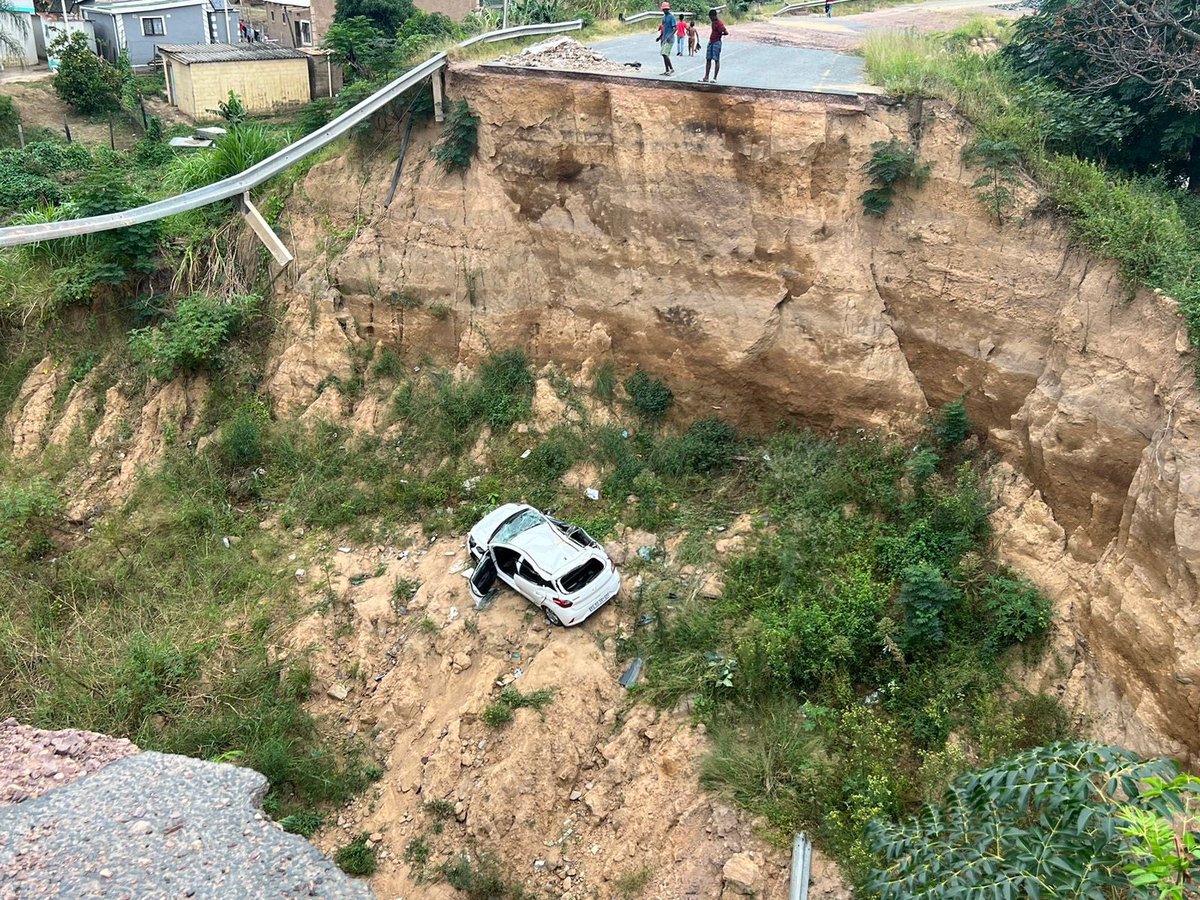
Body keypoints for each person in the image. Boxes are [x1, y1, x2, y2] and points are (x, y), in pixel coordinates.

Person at [701, 7, 728, 83]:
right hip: (711, 41)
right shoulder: (713, 22)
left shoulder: (719, 23)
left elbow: (726, 32)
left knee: (716, 60)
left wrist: (721, 33)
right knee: (708, 59)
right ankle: (706, 77)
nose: (710, 19)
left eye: (710, 17)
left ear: (713, 16)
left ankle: (715, 77)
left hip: (717, 42)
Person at [656, 2, 676, 75]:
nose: (665, 10)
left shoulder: (671, 17)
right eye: (664, 9)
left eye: (666, 9)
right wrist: (660, 37)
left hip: (669, 39)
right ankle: (667, 70)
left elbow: (675, 28)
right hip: (664, 38)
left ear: (668, 9)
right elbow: (663, 29)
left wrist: (670, 36)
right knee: (663, 54)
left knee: (665, 53)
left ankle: (671, 69)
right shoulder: (664, 18)